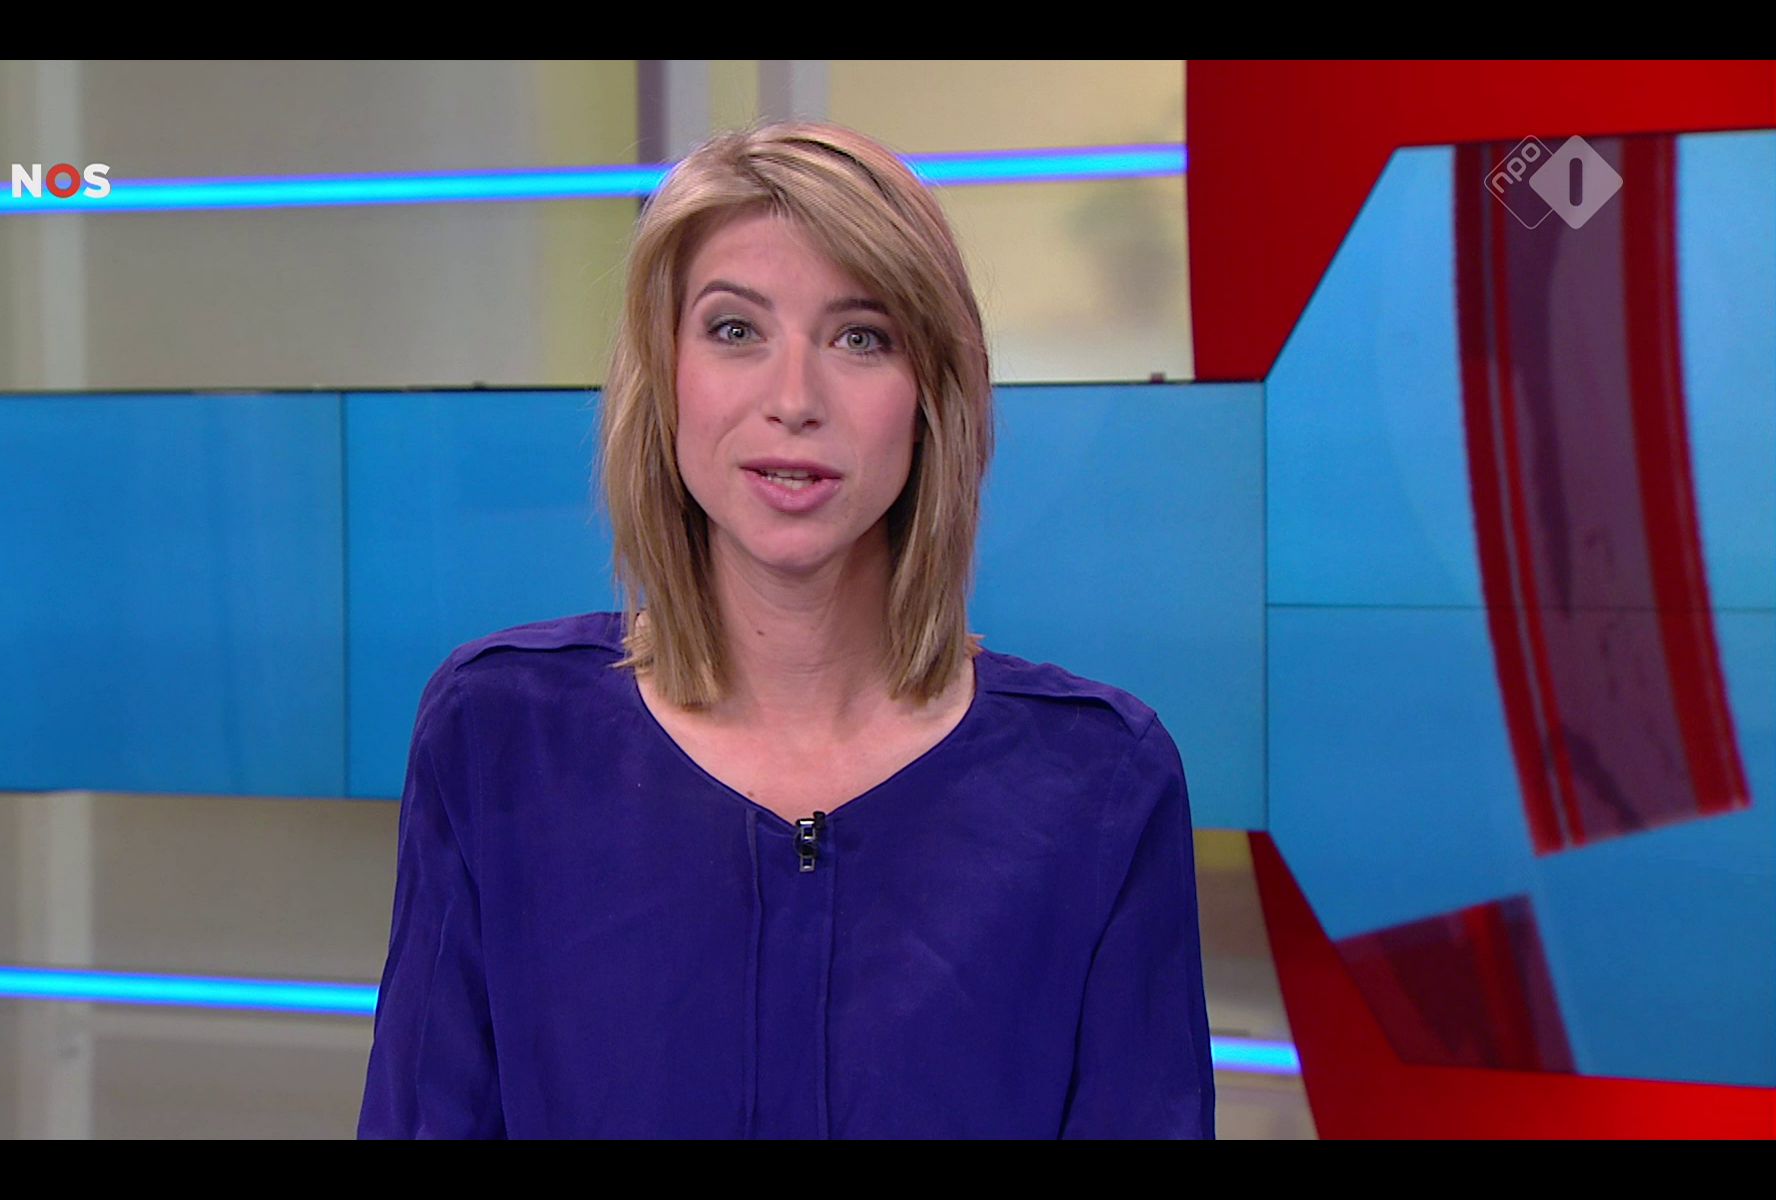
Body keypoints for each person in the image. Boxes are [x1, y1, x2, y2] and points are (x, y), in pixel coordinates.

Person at [357, 119, 1214, 1139]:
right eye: (734, 330)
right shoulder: (499, 735)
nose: (794, 400)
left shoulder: (1099, 786)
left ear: (930, 395)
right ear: (665, 377)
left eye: (861, 337)